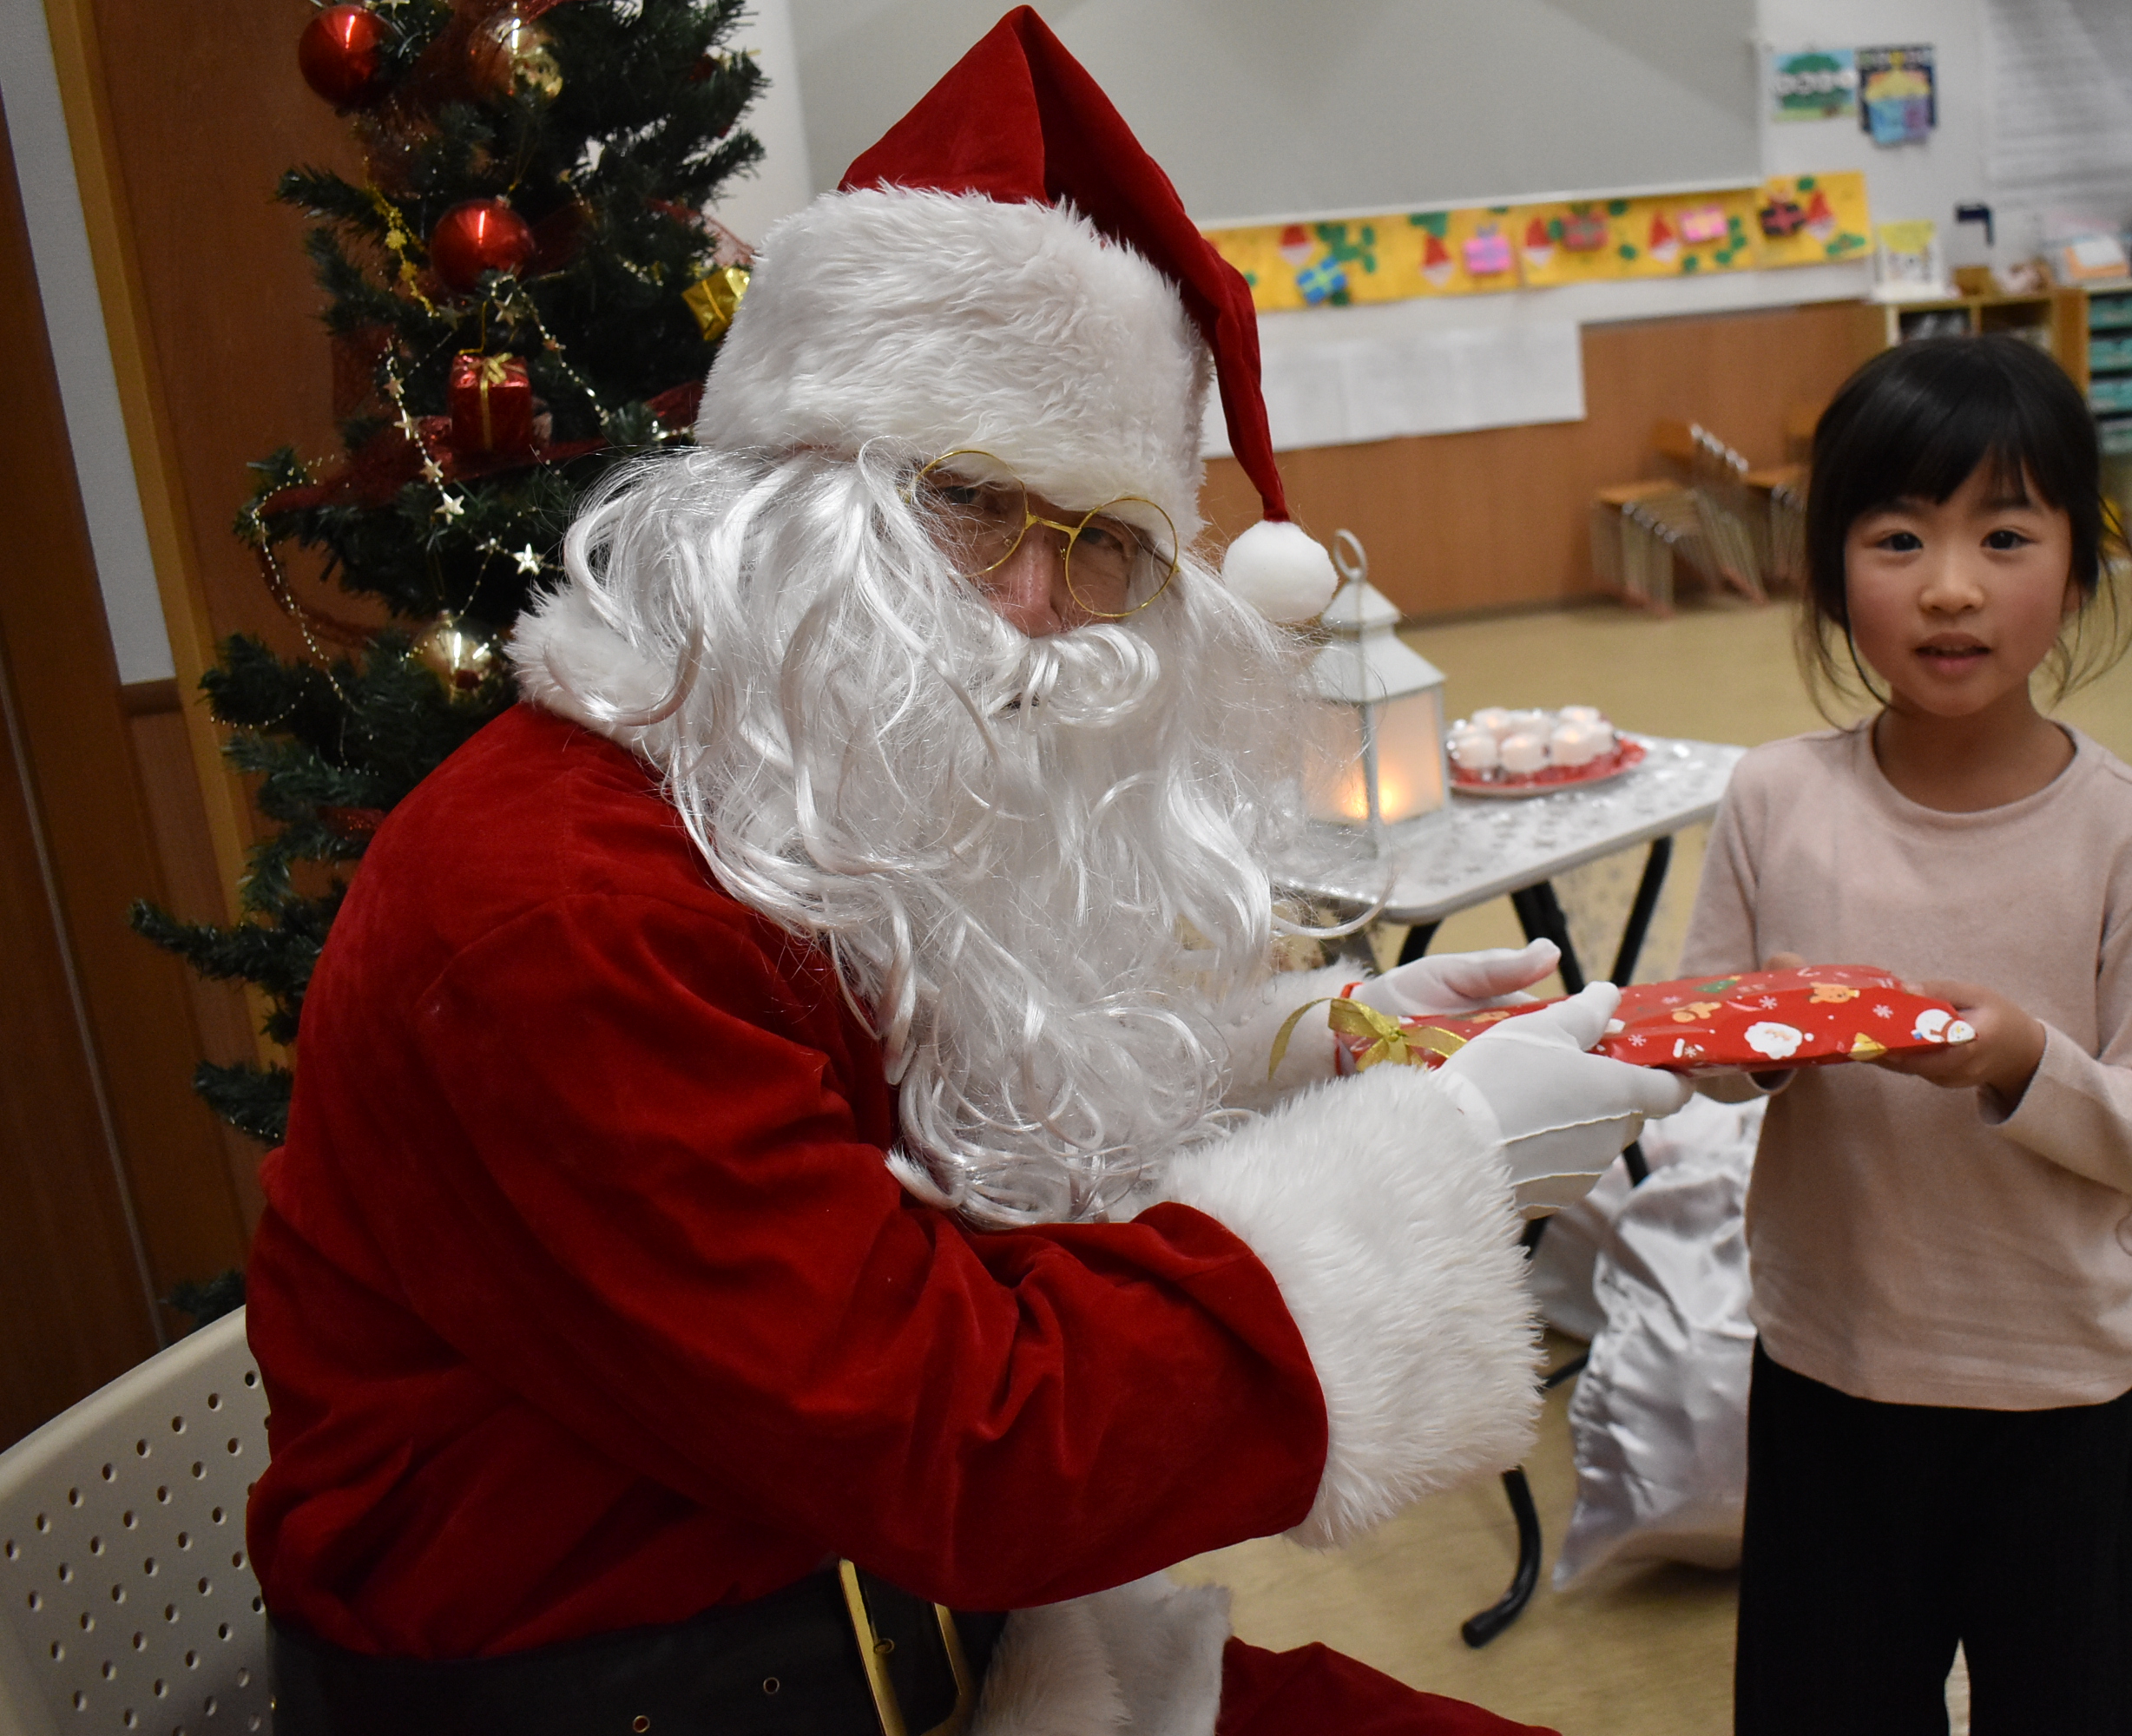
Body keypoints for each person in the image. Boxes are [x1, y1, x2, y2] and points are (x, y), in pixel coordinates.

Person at [242, 11, 1688, 1734]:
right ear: (779, 496)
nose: (1034, 608)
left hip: (912, 1623)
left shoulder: (777, 799)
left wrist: (1308, 1055)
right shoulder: (560, 908)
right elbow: (962, 1443)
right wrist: (1444, 1162)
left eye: (1104, 546)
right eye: (970, 502)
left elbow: (930, 1131)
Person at [1680, 337, 2132, 1733]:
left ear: (2081, 570)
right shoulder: (1776, 800)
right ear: (1830, 572)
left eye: (2006, 535)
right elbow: (1702, 1052)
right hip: (1833, 1364)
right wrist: (1765, 1036)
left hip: (2062, 1385)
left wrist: (2025, 1060)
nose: (1951, 587)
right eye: (1900, 537)